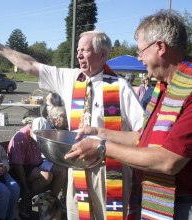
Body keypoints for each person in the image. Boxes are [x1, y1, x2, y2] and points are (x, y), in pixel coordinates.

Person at [0, 30, 144, 219]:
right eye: (78, 50)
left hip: (109, 169)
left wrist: (104, 141)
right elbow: (31, 65)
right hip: (77, 167)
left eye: (84, 50)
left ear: (102, 54)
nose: (78, 55)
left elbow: (141, 133)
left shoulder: (120, 87)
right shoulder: (70, 78)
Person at [65, 10, 192, 220]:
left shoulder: (187, 91)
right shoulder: (165, 88)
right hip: (154, 195)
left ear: (160, 47)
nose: (138, 57)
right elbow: (140, 137)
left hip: (180, 205)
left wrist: (101, 147)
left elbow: (168, 161)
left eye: (141, 51)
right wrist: (98, 132)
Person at [7, 117, 67, 218]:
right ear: (31, 127)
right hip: (23, 167)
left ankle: (50, 203)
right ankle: (26, 200)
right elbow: (18, 166)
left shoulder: (38, 133)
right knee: (47, 176)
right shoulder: (20, 138)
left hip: (36, 163)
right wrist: (25, 189)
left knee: (61, 170)